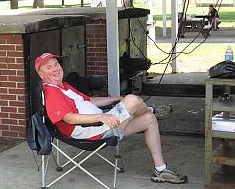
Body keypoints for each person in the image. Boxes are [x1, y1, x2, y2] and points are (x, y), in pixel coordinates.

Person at [35, 53, 188, 184]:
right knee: (134, 100)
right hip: (91, 130)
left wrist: (118, 98)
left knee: (149, 119)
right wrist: (103, 116)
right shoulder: (51, 92)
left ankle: (160, 170)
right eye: (49, 68)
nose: (55, 69)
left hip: (102, 124)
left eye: (56, 64)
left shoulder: (65, 86)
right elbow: (69, 118)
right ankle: (151, 109)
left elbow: (90, 101)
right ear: (42, 75)